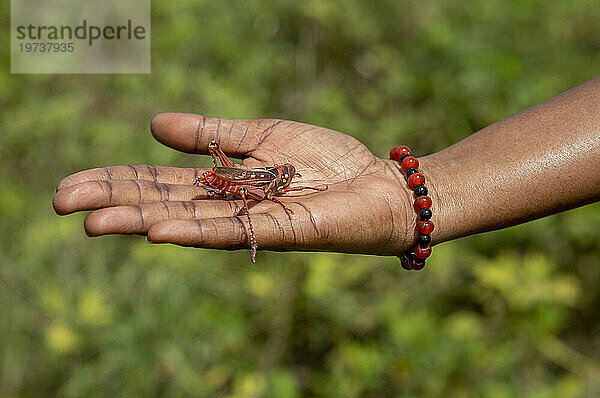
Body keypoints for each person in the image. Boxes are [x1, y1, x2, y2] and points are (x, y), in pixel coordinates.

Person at [53, 76, 600, 260]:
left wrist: (407, 195)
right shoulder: (253, 177)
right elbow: (254, 186)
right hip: (236, 185)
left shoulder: (283, 182)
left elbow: (272, 187)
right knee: (230, 191)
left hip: (248, 188)